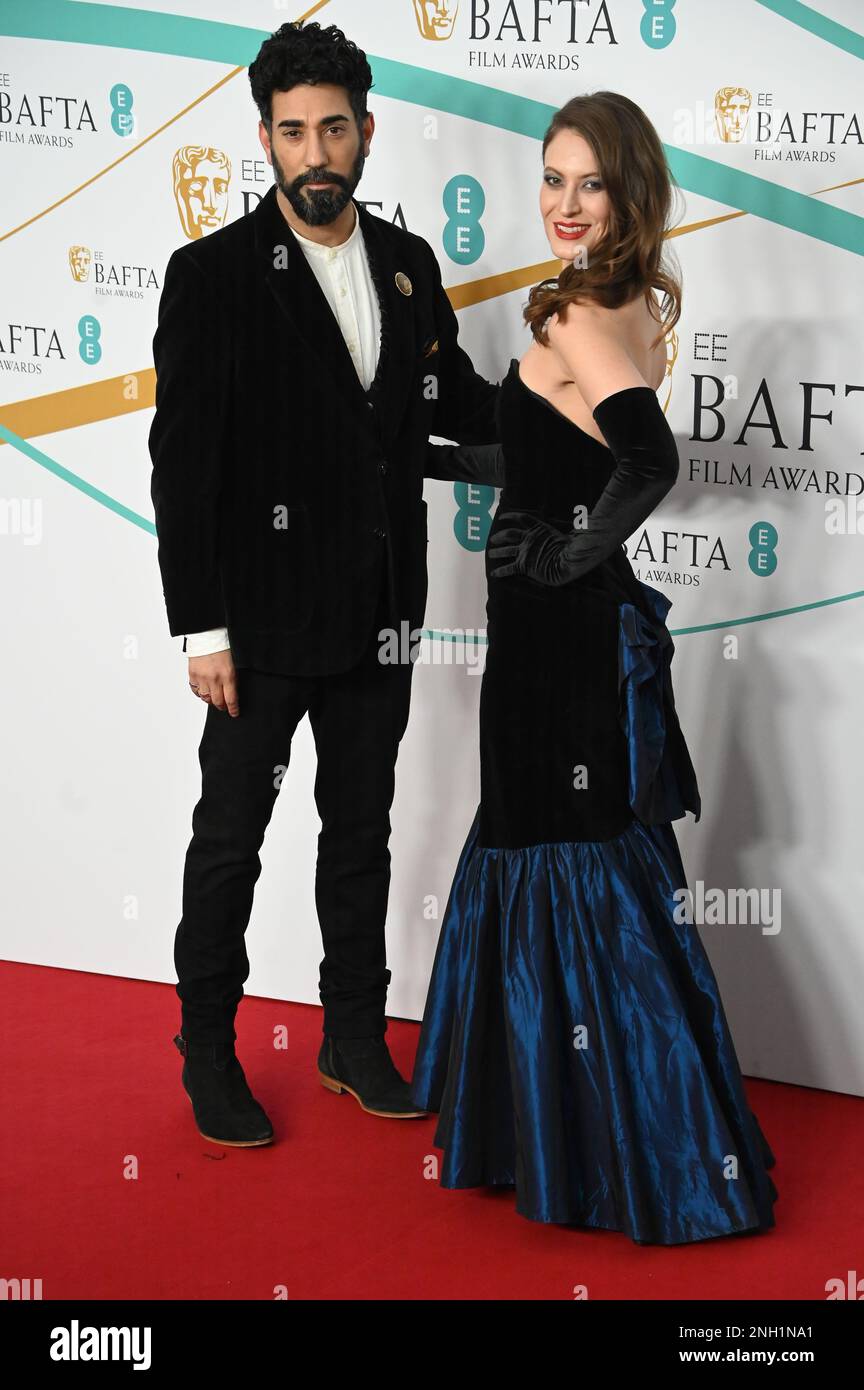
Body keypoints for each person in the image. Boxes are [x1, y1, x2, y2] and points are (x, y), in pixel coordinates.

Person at [410, 92, 779, 1243]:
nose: (566, 205)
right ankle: (608, 1133)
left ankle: (610, 1152)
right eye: (553, 179)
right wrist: (401, 447)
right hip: (568, 633)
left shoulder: (576, 312)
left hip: (554, 638)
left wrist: (571, 551)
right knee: (585, 855)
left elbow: (645, 456)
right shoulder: (627, 304)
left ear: (626, 191)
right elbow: (532, 447)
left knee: (557, 853)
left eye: (590, 184)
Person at [148, 21, 504, 1146]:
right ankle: (209, 1051)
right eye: (293, 130)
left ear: (363, 131)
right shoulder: (210, 278)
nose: (315, 150)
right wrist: (201, 627)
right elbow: (184, 466)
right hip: (255, 626)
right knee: (229, 840)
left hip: (384, 615)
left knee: (362, 831)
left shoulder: (409, 265)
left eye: (333, 128)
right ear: (264, 138)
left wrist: (575, 402)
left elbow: (448, 416)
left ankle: (354, 1036)